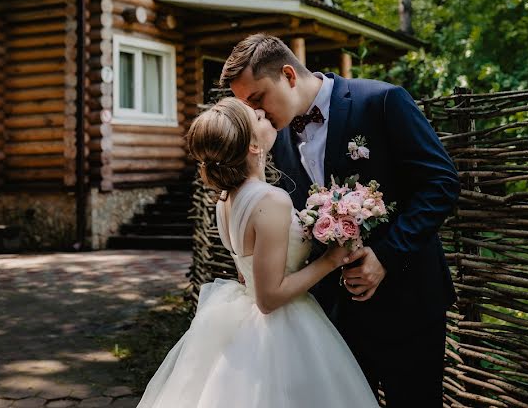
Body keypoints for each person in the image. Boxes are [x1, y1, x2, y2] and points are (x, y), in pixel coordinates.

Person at [220, 34, 460, 407]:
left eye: (257, 99)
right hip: (332, 316)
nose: (258, 115)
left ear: (288, 74)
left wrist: (385, 255)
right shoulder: (277, 139)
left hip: (408, 302)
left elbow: (441, 183)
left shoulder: (382, 101)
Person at [136, 98, 379, 407]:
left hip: (244, 317)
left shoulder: (226, 200)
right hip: (281, 328)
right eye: (260, 118)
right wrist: (331, 259)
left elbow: (245, 270)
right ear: (252, 146)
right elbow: (268, 298)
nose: (268, 116)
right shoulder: (270, 200)